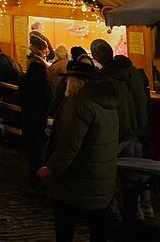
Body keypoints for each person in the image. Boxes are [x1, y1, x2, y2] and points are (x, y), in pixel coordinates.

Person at [38, 60, 119, 242]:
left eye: (67, 79)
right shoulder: (107, 103)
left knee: (65, 224)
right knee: (98, 225)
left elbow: (68, 146)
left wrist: (50, 168)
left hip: (77, 178)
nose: (65, 83)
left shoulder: (78, 105)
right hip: (102, 177)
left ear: (75, 81)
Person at [90, 38, 150, 228]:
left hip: (116, 133)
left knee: (109, 174)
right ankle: (135, 215)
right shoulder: (133, 73)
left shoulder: (104, 78)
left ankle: (114, 215)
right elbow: (142, 102)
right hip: (135, 131)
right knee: (132, 177)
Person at [19, 36, 53, 188]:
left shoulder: (30, 70)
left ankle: (32, 176)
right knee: (39, 149)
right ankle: (37, 178)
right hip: (38, 116)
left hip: (28, 116)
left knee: (32, 149)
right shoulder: (40, 69)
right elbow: (47, 96)